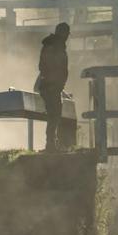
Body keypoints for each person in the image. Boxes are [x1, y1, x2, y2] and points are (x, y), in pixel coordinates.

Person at [36, 22, 72, 152]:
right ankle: (51, 144)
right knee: (54, 115)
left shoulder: (51, 45)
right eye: (67, 33)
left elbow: (43, 66)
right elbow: (55, 67)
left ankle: (51, 143)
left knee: (54, 115)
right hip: (52, 86)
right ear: (62, 33)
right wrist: (56, 84)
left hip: (50, 86)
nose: (68, 36)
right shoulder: (56, 46)